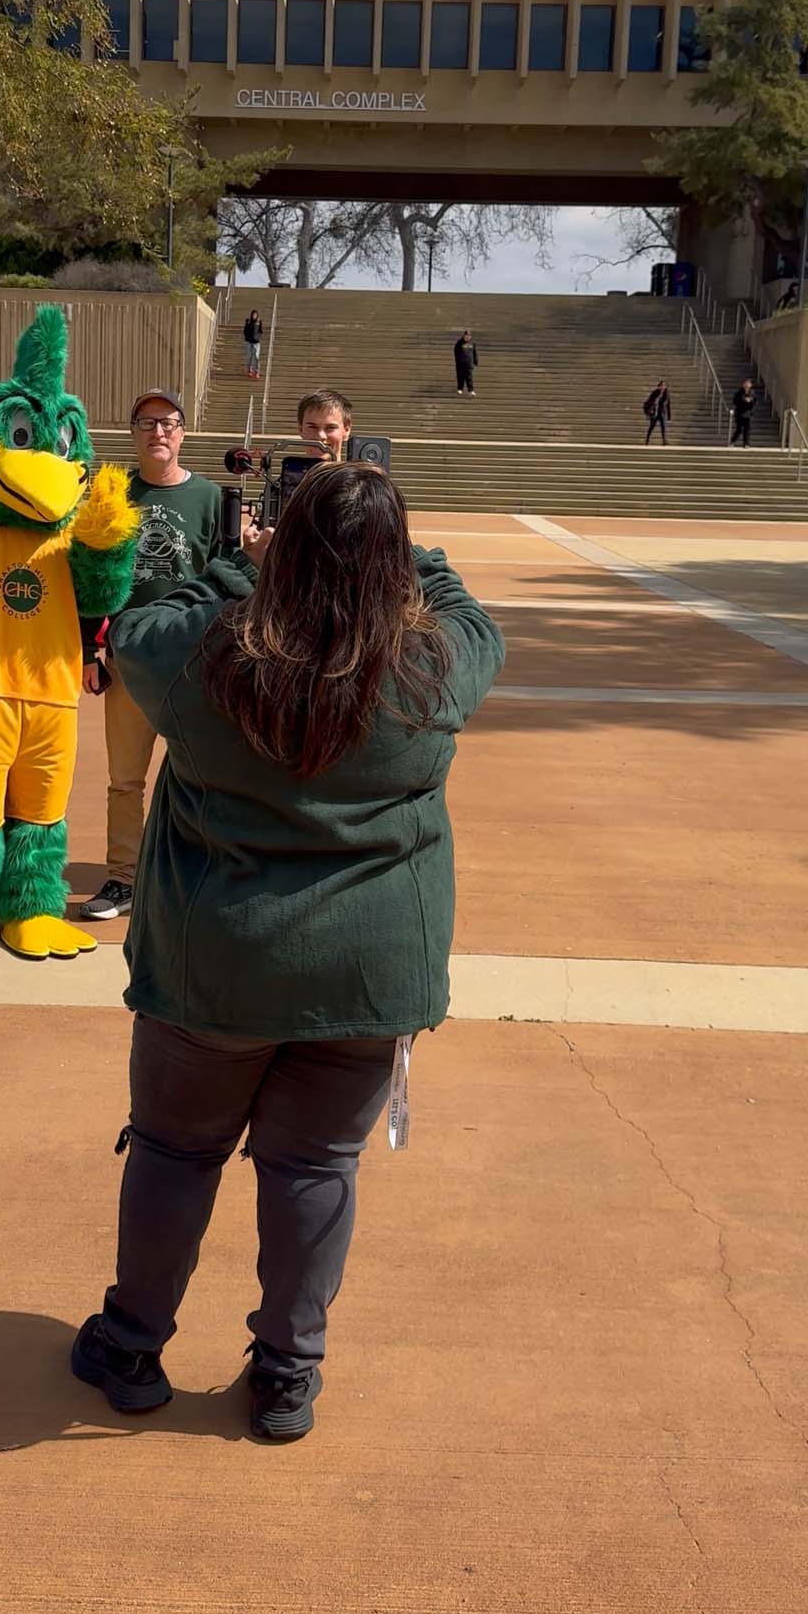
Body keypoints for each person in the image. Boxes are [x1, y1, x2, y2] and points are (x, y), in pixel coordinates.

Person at [68, 461, 505, 1441]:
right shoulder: (433, 668)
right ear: (390, 566)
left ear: (282, 547)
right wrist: (406, 555)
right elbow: (469, 612)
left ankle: (134, 1343)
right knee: (314, 1171)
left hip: (214, 965)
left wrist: (241, 565)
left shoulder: (214, 656)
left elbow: (136, 632)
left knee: (177, 1153)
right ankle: (285, 1372)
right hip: (367, 975)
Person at [80, 389, 223, 922]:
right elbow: (90, 575)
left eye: (168, 423)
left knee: (202, 772)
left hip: (192, 657)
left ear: (183, 432)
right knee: (125, 778)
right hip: (127, 657)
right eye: (146, 422)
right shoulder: (111, 495)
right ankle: (123, 878)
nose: (158, 432)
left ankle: (197, 874)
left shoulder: (210, 498)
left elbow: (226, 576)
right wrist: (88, 648)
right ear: (133, 432)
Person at [296, 386, 352, 462]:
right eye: (312, 427)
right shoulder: (290, 473)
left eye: (330, 427)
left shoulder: (360, 474)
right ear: (300, 429)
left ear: (346, 430)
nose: (321, 436)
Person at [643, 380, 672, 445]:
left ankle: (664, 441)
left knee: (663, 426)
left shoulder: (667, 394)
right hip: (655, 412)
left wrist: (669, 416)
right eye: (661, 385)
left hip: (662, 412)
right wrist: (657, 399)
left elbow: (668, 405)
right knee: (652, 426)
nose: (663, 387)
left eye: (664, 386)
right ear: (659, 386)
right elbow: (649, 401)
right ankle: (647, 439)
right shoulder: (655, 393)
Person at [731, 379, 757, 447]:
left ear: (750, 386)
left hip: (748, 414)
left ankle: (746, 444)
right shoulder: (739, 393)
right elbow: (735, 402)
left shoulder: (752, 393)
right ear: (743, 385)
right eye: (745, 385)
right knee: (739, 429)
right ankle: (732, 441)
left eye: (748, 385)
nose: (746, 387)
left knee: (747, 429)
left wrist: (750, 401)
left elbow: (754, 402)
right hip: (740, 413)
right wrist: (744, 401)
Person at [454, 330, 478, 396]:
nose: (467, 337)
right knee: (460, 376)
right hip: (461, 364)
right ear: (464, 336)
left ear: (470, 337)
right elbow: (456, 353)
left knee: (469, 377)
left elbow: (475, 353)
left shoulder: (472, 343)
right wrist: (458, 361)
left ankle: (471, 390)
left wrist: (476, 362)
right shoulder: (459, 343)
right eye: (466, 336)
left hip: (469, 364)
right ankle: (460, 389)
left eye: (468, 336)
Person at [243, 308, 263, 380]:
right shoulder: (248, 321)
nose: (254, 316)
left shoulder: (259, 322)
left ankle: (257, 371)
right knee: (249, 357)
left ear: (257, 315)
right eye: (253, 315)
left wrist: (258, 337)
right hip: (249, 342)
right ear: (251, 315)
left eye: (255, 315)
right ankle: (249, 370)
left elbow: (261, 331)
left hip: (256, 343)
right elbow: (245, 330)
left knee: (256, 357)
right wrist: (247, 337)